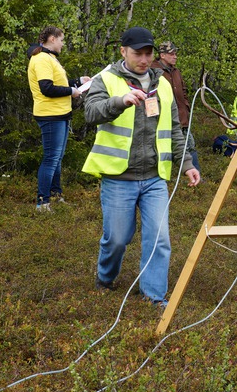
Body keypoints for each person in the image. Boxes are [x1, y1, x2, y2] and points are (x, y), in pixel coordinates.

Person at [82, 26, 200, 306]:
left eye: (148, 54)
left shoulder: (164, 85)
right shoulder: (106, 78)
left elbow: (173, 129)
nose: (144, 60)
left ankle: (153, 295)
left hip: (155, 178)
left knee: (159, 239)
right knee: (118, 239)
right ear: (123, 51)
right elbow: (90, 112)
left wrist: (187, 163)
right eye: (138, 54)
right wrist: (119, 101)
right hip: (118, 177)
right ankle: (105, 277)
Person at [27, 25, 90, 212]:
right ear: (52, 39)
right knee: (51, 159)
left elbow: (59, 84)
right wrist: (72, 91)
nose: (63, 44)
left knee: (57, 158)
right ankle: (42, 202)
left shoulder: (50, 58)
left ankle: (55, 196)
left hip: (60, 114)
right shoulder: (41, 59)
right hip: (50, 114)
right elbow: (46, 88)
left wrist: (78, 81)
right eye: (61, 40)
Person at [150, 41, 200, 173]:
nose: (175, 56)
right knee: (164, 148)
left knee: (189, 146)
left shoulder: (176, 72)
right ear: (162, 55)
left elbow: (183, 91)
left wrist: (186, 107)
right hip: (163, 120)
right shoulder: (153, 71)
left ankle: (195, 174)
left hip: (182, 118)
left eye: (175, 54)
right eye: (172, 54)